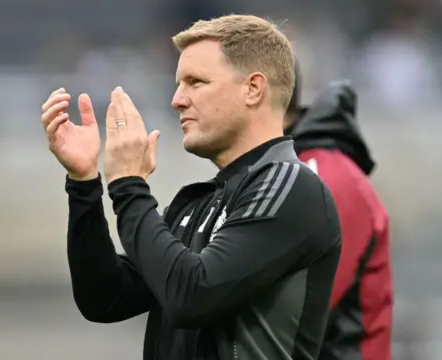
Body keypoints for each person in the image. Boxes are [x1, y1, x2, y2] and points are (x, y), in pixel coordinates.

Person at [41, 15, 341, 360]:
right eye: (178, 84)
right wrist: (84, 184)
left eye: (195, 82)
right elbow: (104, 299)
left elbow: (193, 296)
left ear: (253, 89)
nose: (177, 100)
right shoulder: (199, 203)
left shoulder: (290, 186)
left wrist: (128, 184)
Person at [284, 68, 393, 360]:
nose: (181, 99)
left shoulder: (324, 178)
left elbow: (298, 310)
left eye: (200, 83)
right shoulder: (281, 172)